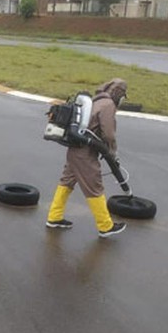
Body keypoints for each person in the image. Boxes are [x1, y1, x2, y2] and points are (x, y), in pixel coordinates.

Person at [46, 78, 128, 238]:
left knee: (66, 181)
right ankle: (105, 226)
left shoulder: (94, 101)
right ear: (118, 93)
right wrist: (112, 152)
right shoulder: (108, 105)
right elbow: (109, 134)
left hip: (74, 149)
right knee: (94, 186)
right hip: (85, 153)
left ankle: (54, 217)